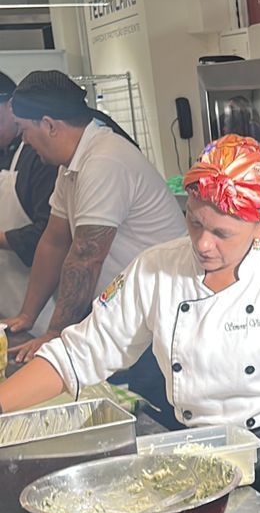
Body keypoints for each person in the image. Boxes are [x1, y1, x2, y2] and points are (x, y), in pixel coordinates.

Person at [0, 135, 260, 513]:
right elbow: (77, 354)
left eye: (222, 232)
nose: (203, 243)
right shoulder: (156, 269)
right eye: (194, 223)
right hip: (206, 464)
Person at [1, 69, 185, 412]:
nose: (24, 140)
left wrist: (57, 335)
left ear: (49, 125)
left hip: (160, 318)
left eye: (25, 130)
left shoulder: (104, 160)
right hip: (125, 315)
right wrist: (27, 315)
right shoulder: (71, 166)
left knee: (155, 408)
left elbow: (85, 256)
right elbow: (55, 242)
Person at [0, 71, 58, 330]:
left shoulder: (41, 157)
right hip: (6, 306)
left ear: (11, 106)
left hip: (43, 313)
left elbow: (49, 236)